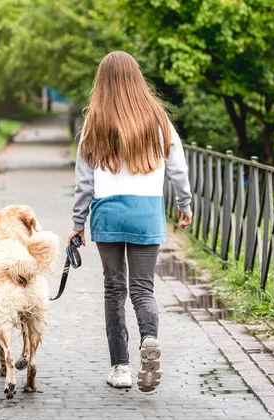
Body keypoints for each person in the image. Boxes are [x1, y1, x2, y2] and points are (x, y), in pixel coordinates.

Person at [68, 51, 193, 392]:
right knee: (143, 288)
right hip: (147, 212)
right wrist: (185, 204)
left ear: (101, 83)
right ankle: (149, 339)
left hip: (107, 212)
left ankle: (121, 366)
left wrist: (78, 224)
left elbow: (84, 182)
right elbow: (178, 169)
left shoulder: (94, 123)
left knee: (114, 289)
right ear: (139, 78)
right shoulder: (158, 119)